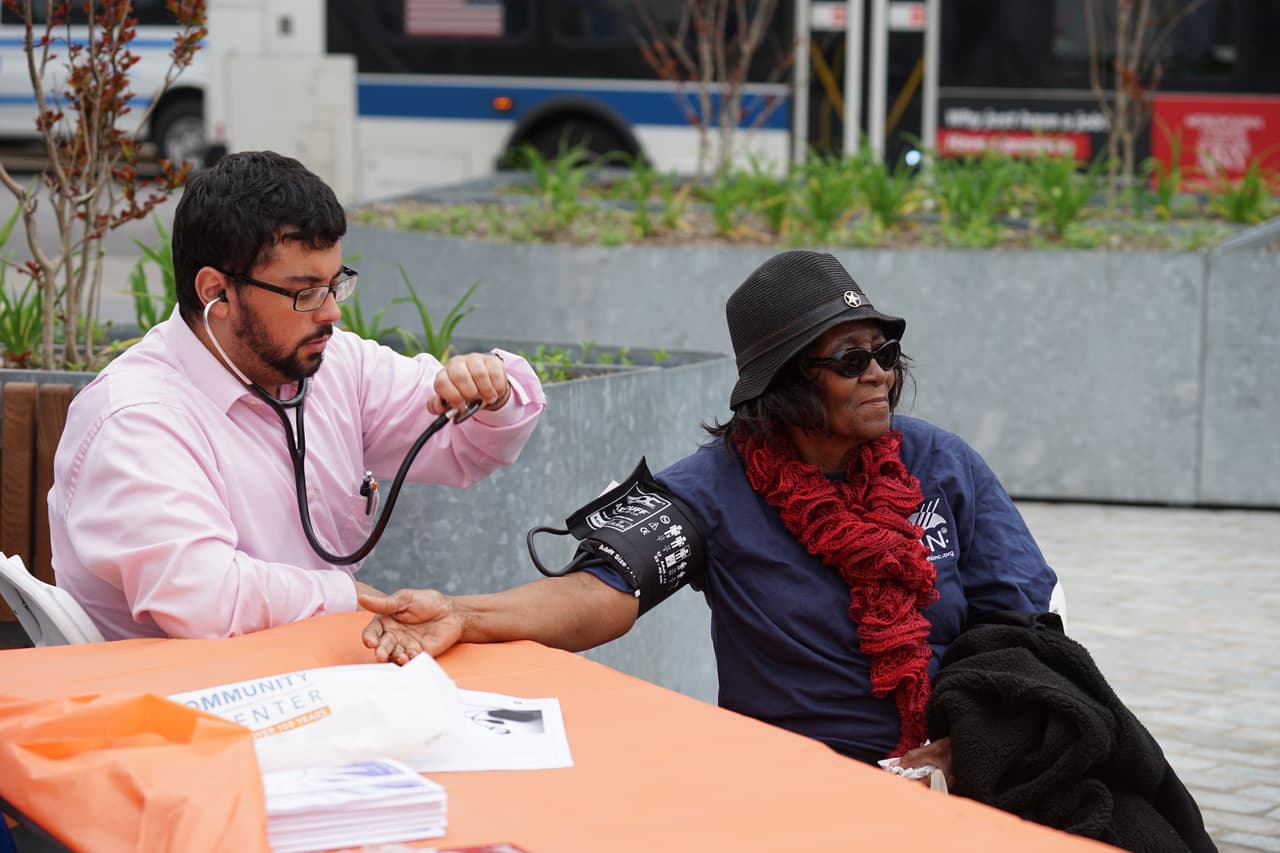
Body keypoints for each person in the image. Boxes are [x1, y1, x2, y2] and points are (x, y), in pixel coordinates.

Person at [359, 249, 1056, 769]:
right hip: (792, 784)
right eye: (849, 359)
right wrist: (465, 614)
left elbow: (1024, 631)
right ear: (784, 384)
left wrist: (970, 747)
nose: (878, 372)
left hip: (959, 769)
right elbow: (600, 592)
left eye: (885, 351)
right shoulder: (712, 487)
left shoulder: (941, 461)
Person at [49, 150, 546, 641]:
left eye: (336, 284)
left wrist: (492, 389)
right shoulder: (135, 421)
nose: (331, 312)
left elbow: (470, 450)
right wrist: (350, 598)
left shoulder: (331, 364)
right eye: (304, 292)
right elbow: (205, 601)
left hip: (300, 682)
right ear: (215, 293)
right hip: (172, 703)